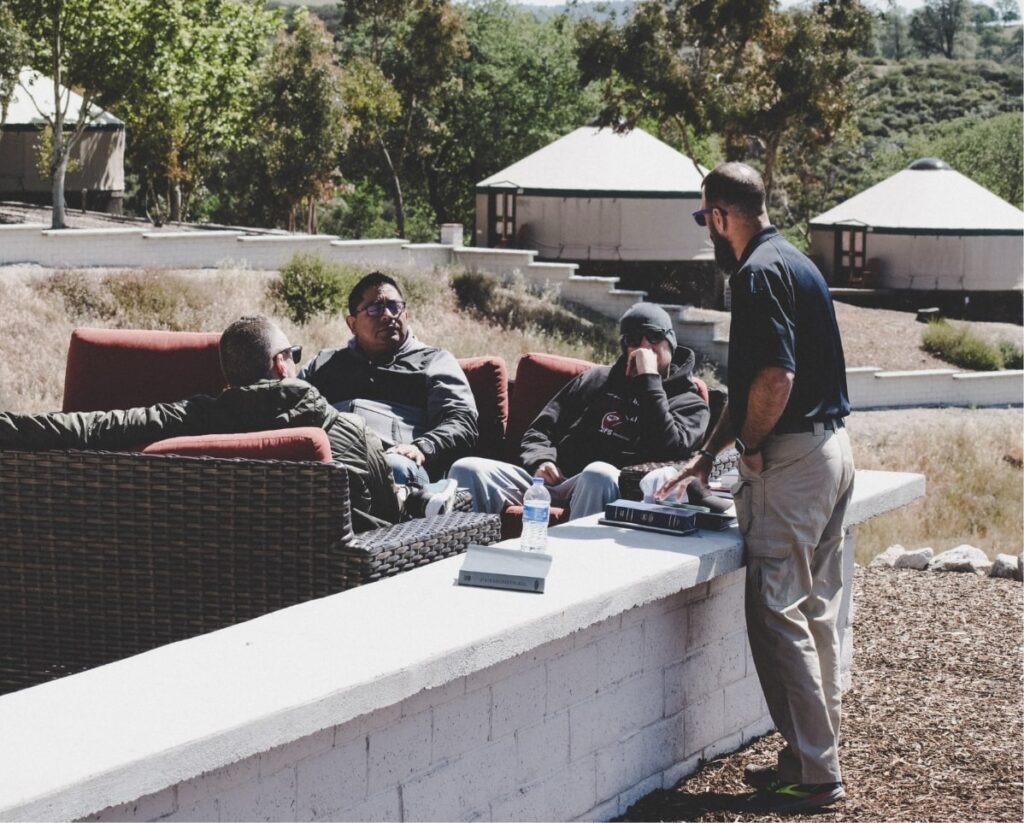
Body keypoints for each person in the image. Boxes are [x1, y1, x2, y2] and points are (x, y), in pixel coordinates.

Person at [656, 162, 855, 814]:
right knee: (812, 610)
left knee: (776, 613)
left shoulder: (754, 273)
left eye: (705, 218)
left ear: (719, 215)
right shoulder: (794, 261)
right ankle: (806, 756)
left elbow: (772, 380)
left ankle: (818, 773)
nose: (706, 231)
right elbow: (746, 389)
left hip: (790, 461)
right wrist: (705, 453)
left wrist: (747, 450)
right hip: (831, 451)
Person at [0, 315, 456, 532]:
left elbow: (95, 427)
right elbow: (383, 524)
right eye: (294, 355)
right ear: (281, 365)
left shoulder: (196, 423)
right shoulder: (351, 433)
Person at [449, 303, 710, 518]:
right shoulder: (596, 380)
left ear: (670, 342)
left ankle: (577, 571)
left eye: (653, 336)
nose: (643, 347)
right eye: (633, 339)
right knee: (468, 469)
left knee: (598, 474)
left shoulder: (689, 401)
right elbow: (540, 431)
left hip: (617, 491)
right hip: (558, 481)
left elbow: (670, 451)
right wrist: (541, 461)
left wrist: (650, 380)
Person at [299, 271, 479, 486]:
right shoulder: (324, 363)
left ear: (406, 315)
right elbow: (293, 407)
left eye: (395, 307)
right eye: (374, 308)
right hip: (333, 457)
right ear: (352, 324)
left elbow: (462, 420)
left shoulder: (433, 361)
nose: (387, 315)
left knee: (393, 468)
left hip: (397, 461)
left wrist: (423, 446)